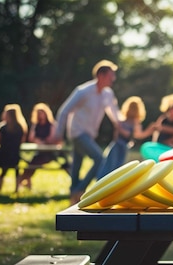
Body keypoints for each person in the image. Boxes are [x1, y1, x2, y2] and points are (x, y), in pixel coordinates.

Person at [51, 60, 130, 204]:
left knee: (77, 165)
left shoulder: (107, 94)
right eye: (110, 76)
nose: (113, 79)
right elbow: (64, 111)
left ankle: (73, 197)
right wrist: (58, 134)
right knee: (99, 158)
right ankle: (80, 190)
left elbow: (114, 113)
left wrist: (124, 125)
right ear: (101, 75)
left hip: (90, 134)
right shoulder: (83, 91)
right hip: (77, 132)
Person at [97, 96, 157, 178]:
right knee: (116, 167)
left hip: (116, 145)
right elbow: (138, 135)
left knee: (109, 166)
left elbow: (116, 135)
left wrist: (120, 129)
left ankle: (101, 182)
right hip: (123, 146)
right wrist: (149, 131)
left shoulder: (122, 120)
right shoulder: (135, 122)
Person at [0, 104, 28, 192]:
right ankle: (16, 189)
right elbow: (22, 142)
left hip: (2, 157)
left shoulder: (3, 127)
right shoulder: (21, 127)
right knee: (10, 167)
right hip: (15, 157)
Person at [17, 103, 58, 189]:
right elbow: (31, 138)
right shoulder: (36, 125)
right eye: (38, 113)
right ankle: (24, 180)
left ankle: (21, 180)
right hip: (39, 151)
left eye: (42, 112)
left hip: (50, 153)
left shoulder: (51, 125)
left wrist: (44, 141)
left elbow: (53, 138)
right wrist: (37, 140)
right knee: (32, 162)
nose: (40, 115)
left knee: (33, 162)